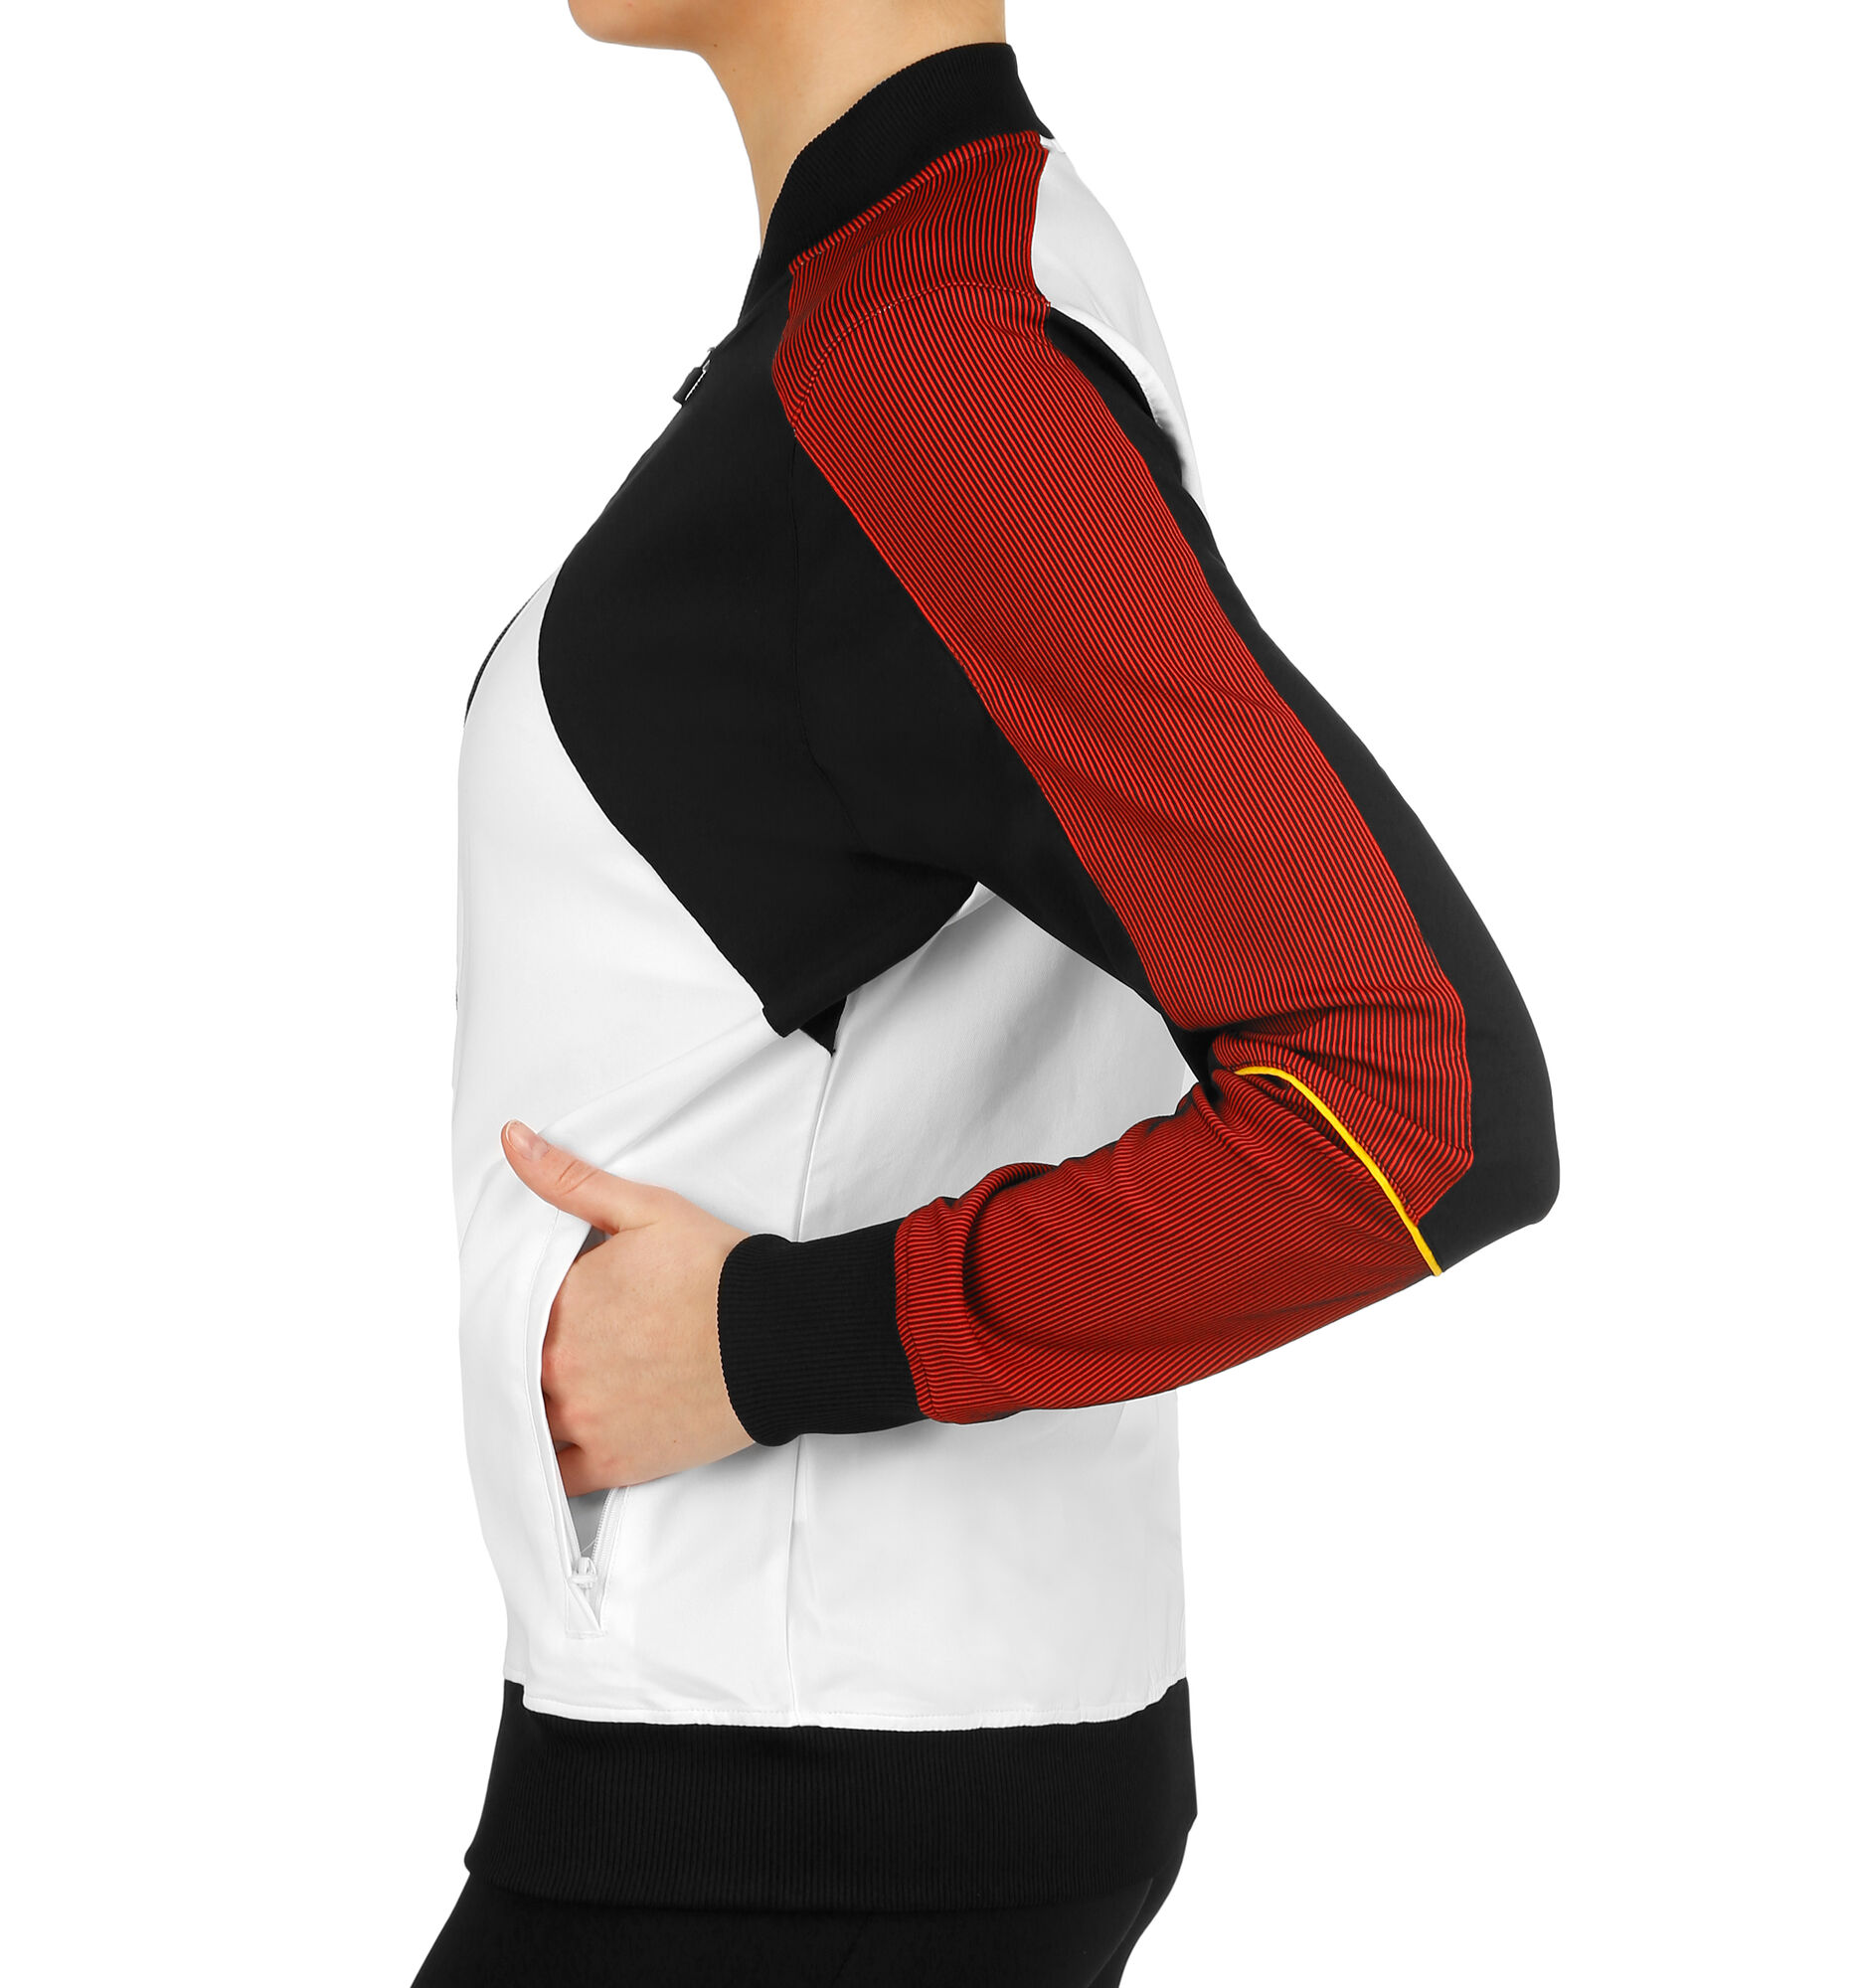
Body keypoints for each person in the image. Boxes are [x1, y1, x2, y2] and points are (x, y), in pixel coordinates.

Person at [417, 3, 1558, 1981]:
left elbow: (1418, 1098)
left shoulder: (925, 364)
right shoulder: (928, 294)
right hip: (790, 1777)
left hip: (781, 1812)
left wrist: (771, 1344)